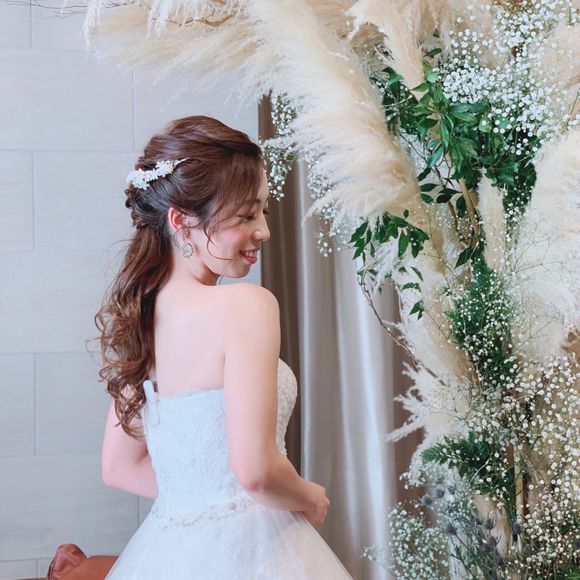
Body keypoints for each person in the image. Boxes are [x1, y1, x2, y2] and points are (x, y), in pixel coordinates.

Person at [94, 115, 353, 578]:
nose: (264, 231)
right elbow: (256, 472)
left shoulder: (142, 321)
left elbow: (119, 467)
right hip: (258, 552)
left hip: (168, 554)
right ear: (181, 221)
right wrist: (309, 497)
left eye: (264, 211)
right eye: (246, 215)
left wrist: (203, 503)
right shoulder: (247, 306)